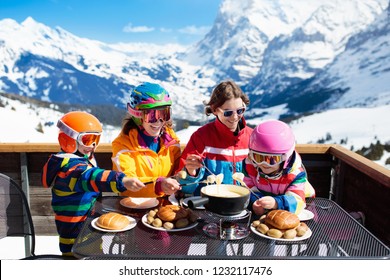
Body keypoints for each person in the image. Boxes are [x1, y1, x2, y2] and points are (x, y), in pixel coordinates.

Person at [42, 111, 145, 256]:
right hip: (76, 237)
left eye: (96, 138)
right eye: (87, 139)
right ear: (68, 139)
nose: (93, 145)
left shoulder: (80, 160)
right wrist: (121, 180)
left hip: (88, 228)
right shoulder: (70, 169)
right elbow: (91, 177)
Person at [176, 80, 253, 195]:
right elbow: (185, 188)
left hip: (244, 205)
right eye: (228, 113)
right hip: (210, 205)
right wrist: (191, 172)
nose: (235, 117)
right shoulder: (201, 137)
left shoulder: (253, 138)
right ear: (215, 110)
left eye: (240, 111)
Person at [111, 82, 182, 197]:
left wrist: (190, 171)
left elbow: (179, 170)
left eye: (164, 114)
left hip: (166, 204)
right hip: (135, 206)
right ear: (138, 115)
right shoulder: (124, 144)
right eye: (152, 115)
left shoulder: (170, 139)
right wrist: (158, 185)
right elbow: (126, 182)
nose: (158, 121)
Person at [243, 119, 316, 216]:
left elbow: (298, 200)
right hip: (266, 213)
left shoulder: (295, 175)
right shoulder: (250, 167)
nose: (264, 164)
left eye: (272, 160)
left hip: (300, 210)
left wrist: (277, 203)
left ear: (286, 158)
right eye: (258, 157)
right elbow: (247, 188)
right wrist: (255, 202)